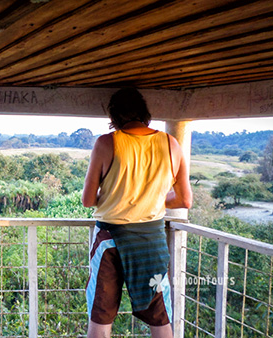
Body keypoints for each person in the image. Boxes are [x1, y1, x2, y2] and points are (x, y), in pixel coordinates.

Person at [82, 88, 192, 338]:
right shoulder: (171, 143)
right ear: (145, 114)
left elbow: (88, 200)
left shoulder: (106, 142)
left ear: (115, 117)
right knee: (160, 318)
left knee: (100, 318)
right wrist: (150, 199)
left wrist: (117, 197)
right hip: (150, 241)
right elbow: (185, 199)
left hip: (110, 240)